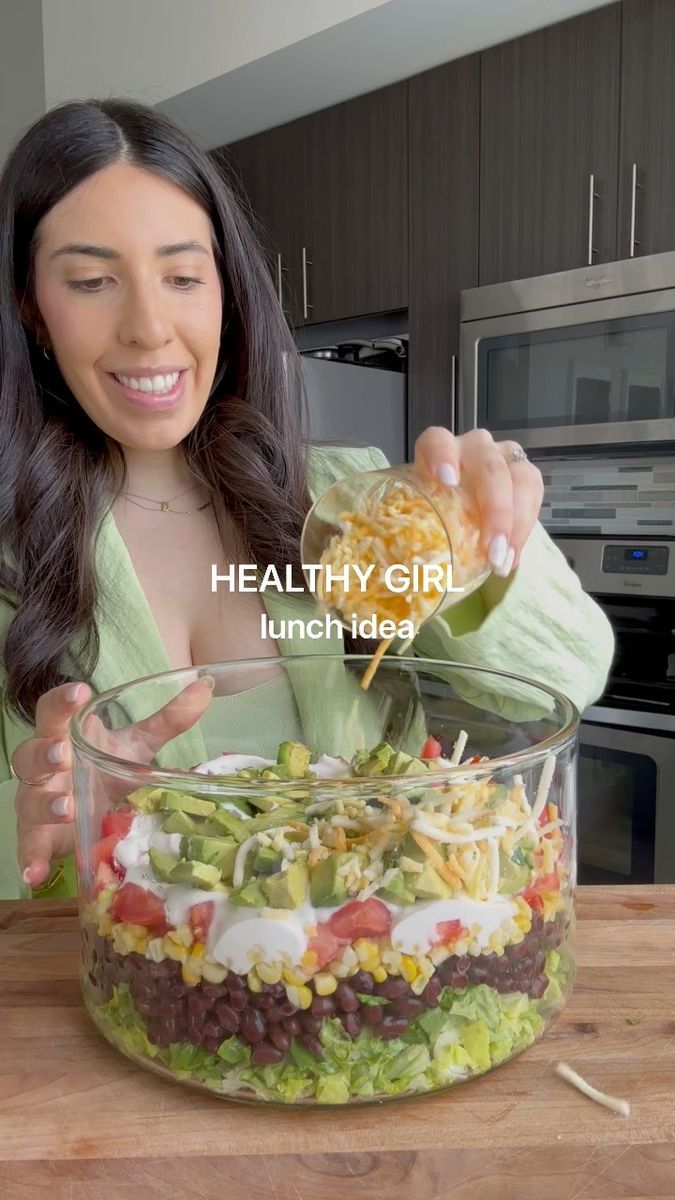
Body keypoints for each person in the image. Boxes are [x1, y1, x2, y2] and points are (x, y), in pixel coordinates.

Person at [0, 99, 614, 901]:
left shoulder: (348, 505)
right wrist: (75, 840)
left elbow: (570, 675)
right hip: (148, 1006)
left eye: (183, 276)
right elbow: (28, 869)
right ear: (31, 310)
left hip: (378, 992)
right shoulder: (13, 563)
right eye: (91, 281)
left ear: (226, 293)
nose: (149, 327)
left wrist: (472, 540)